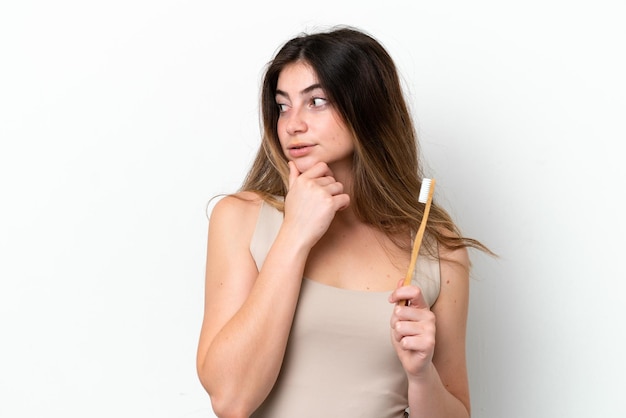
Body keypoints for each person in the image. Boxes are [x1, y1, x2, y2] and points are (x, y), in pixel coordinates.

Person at [196, 26, 492, 418]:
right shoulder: (240, 218)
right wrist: (295, 235)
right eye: (283, 105)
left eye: (316, 101)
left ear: (367, 109)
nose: (292, 124)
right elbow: (231, 401)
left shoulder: (437, 246)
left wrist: (421, 376)